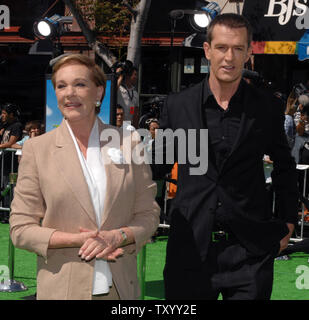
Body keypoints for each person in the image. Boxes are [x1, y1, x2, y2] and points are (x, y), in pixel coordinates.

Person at [151, 13, 298, 300]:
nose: (229, 57)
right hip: (189, 250)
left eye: (237, 48)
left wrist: (288, 221)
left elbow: (284, 165)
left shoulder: (267, 107)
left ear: (248, 53)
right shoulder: (178, 106)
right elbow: (156, 166)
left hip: (250, 252)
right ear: (207, 51)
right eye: (221, 48)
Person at [10, 53, 160, 300]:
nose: (69, 93)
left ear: (99, 92)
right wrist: (76, 240)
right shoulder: (37, 150)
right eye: (61, 86)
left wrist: (118, 236)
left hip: (121, 290)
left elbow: (149, 215)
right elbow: (20, 228)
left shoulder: (129, 143)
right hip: (62, 290)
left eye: (80, 84)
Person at [117, 61, 139, 128]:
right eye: (134, 74)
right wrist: (121, 76)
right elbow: (111, 91)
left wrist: (136, 129)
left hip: (128, 125)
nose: (136, 77)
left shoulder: (135, 93)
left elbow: (135, 113)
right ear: (128, 75)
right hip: (118, 124)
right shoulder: (119, 89)